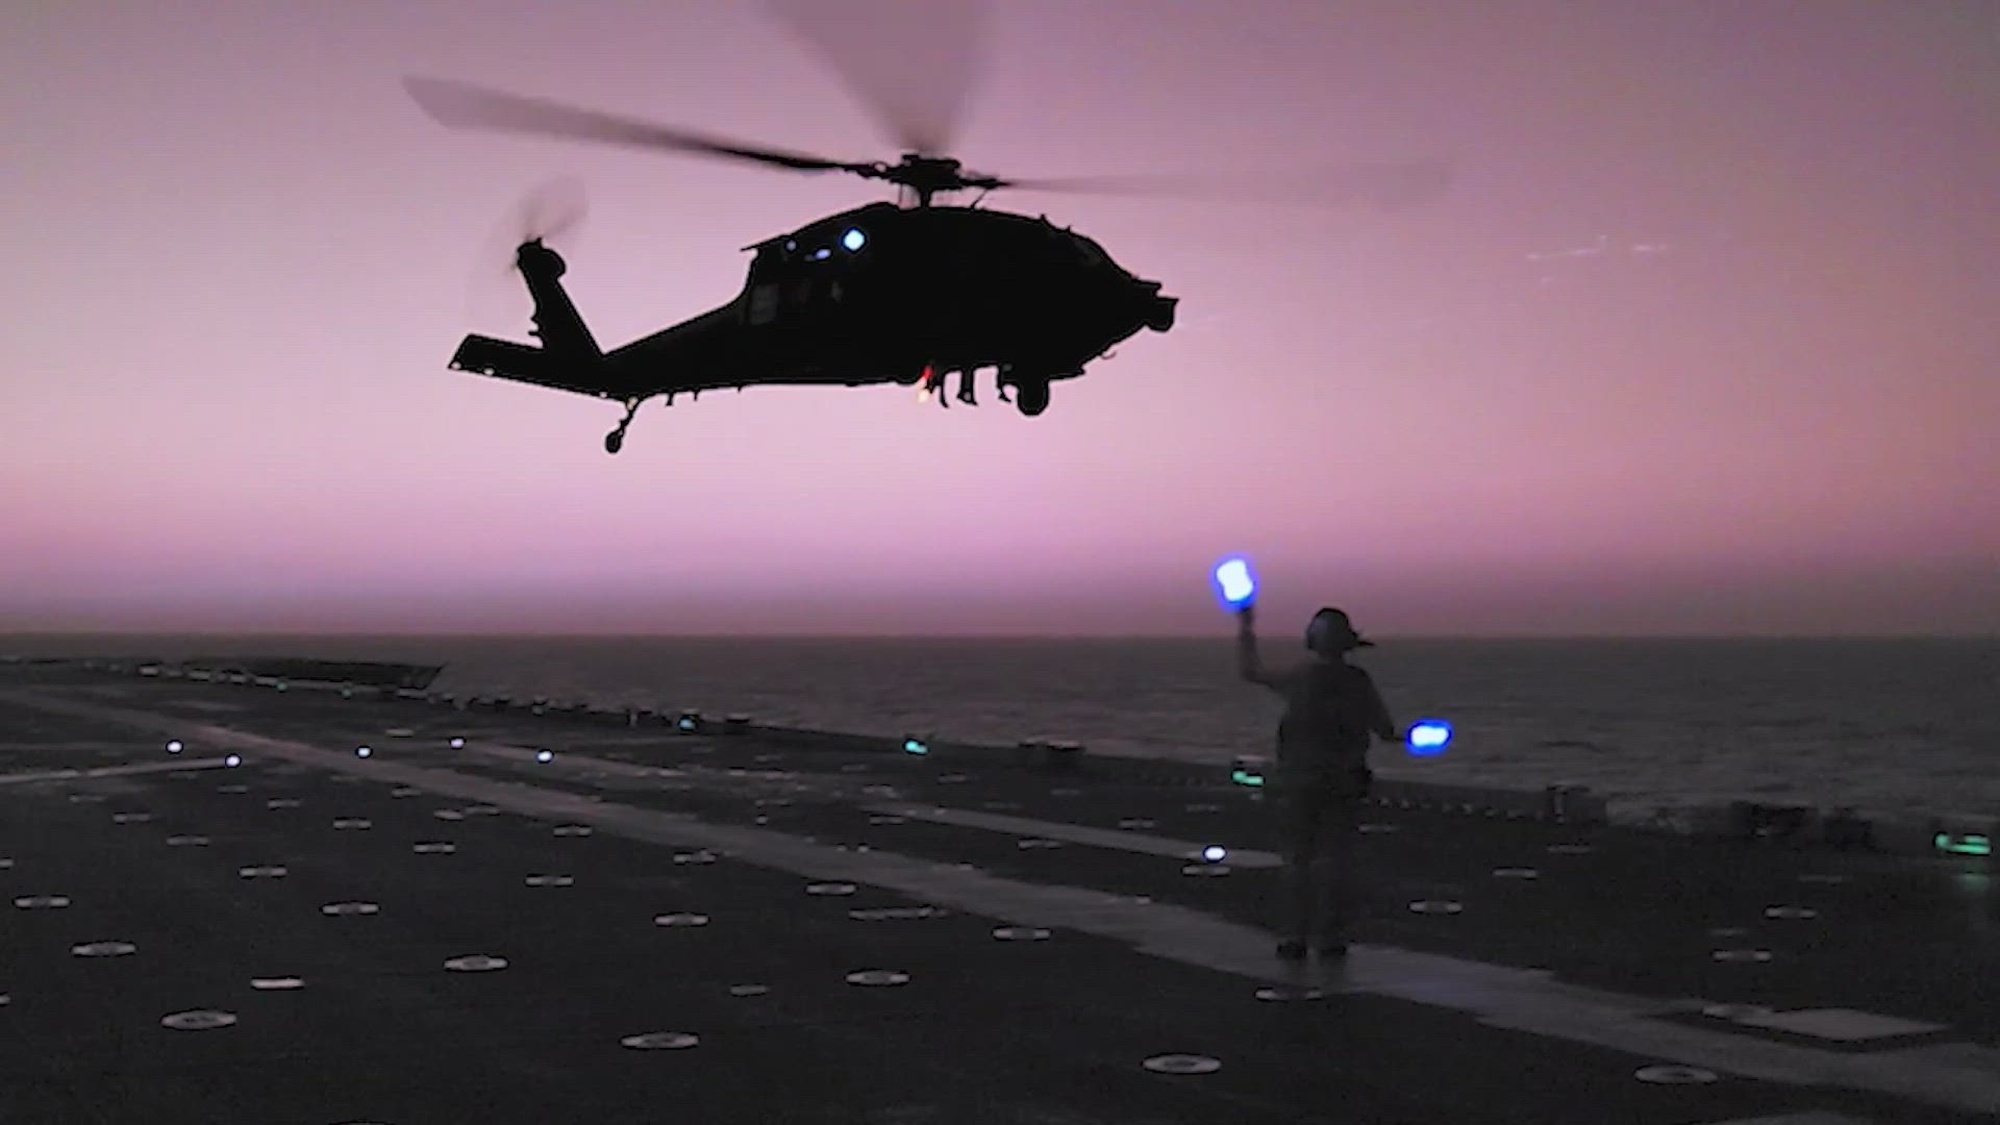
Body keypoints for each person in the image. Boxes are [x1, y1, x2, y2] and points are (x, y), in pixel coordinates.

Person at [1237, 603, 1401, 961]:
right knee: (1336, 861)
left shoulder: (1302, 677)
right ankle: (1330, 937)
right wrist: (1413, 737)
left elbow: (1250, 671)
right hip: (1345, 781)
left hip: (1299, 781)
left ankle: (1294, 935)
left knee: (1297, 861)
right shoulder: (1357, 681)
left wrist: (1246, 626)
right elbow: (1386, 730)